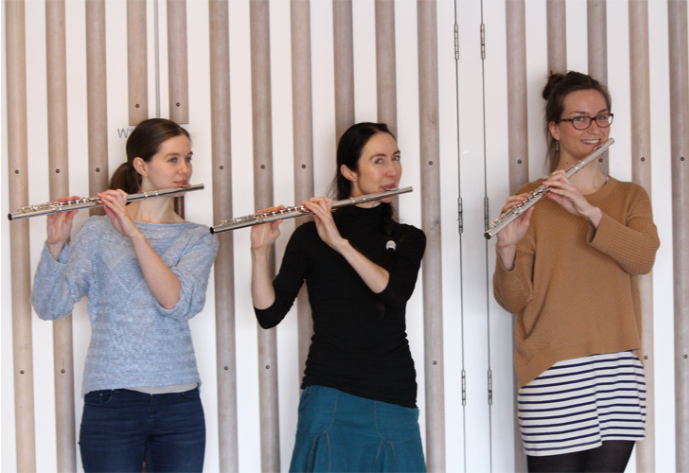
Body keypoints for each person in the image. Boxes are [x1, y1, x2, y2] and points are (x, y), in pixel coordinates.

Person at [493, 71, 660, 473]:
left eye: (602, 117)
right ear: (555, 128)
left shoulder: (629, 196)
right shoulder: (530, 198)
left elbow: (643, 259)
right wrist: (506, 248)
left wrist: (587, 211)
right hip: (551, 370)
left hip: (618, 370)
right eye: (580, 119)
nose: (595, 129)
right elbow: (514, 300)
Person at [31, 118, 218, 473]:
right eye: (173, 159)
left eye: (188, 159)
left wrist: (133, 234)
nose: (185, 170)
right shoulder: (97, 232)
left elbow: (176, 303)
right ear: (141, 165)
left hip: (180, 402)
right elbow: (49, 307)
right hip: (111, 398)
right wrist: (55, 247)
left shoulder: (197, 237)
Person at [251, 122, 427, 472]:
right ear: (349, 171)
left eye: (395, 158)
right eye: (378, 161)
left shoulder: (410, 238)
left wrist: (340, 244)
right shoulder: (308, 238)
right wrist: (259, 252)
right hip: (329, 393)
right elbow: (268, 315)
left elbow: (393, 294)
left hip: (393, 393)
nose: (391, 170)